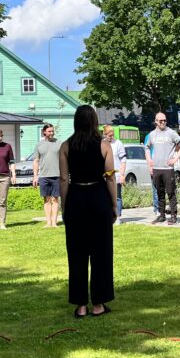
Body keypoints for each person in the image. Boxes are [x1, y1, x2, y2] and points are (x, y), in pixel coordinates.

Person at [60, 105, 116, 317]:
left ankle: (80, 304)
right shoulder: (104, 146)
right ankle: (98, 304)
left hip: (76, 197)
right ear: (94, 121)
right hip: (98, 197)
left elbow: (64, 179)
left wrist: (64, 206)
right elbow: (110, 177)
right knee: (101, 252)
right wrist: (112, 204)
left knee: (76, 253)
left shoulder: (65, 146)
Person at [145, 112, 180, 225]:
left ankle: (173, 216)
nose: (163, 122)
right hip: (156, 169)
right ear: (156, 121)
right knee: (159, 193)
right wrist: (149, 162)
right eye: (160, 120)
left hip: (168, 169)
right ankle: (161, 215)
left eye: (165, 120)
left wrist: (175, 158)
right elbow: (146, 148)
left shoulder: (171, 133)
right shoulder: (152, 134)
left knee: (171, 193)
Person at [32, 123, 60, 227]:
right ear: (44, 132)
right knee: (47, 199)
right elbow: (36, 161)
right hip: (44, 176)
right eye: (49, 131)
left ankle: (54, 222)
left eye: (52, 131)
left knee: (55, 199)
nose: (51, 133)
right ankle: (48, 222)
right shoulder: (39, 145)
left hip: (57, 175)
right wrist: (35, 176)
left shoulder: (59, 143)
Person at [103, 125, 127, 225]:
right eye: (109, 135)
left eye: (112, 135)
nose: (111, 137)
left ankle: (118, 217)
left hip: (116, 174)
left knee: (117, 196)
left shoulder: (118, 143)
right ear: (104, 134)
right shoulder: (101, 144)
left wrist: (122, 174)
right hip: (104, 175)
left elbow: (123, 160)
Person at [143, 130, 160, 216]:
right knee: (156, 188)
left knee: (163, 188)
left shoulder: (166, 134)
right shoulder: (149, 135)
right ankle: (157, 209)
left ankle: (161, 208)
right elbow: (147, 151)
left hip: (164, 165)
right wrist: (150, 166)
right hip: (154, 165)